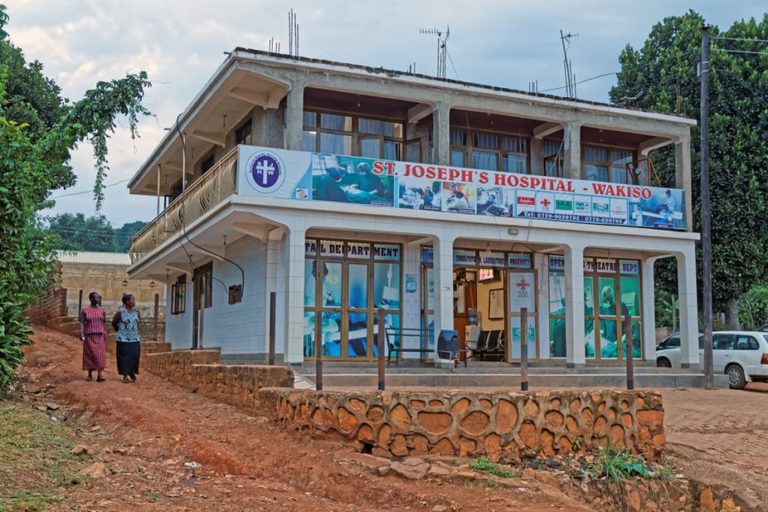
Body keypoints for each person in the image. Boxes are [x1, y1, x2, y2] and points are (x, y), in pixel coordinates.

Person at [113, 294, 141, 383]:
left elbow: (138, 321)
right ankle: (125, 375)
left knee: (135, 356)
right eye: (133, 300)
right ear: (127, 302)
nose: (134, 302)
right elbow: (114, 322)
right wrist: (119, 331)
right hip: (123, 339)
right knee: (124, 357)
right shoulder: (121, 312)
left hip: (134, 338)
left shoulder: (136, 311)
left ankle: (132, 372)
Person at [80, 291, 106, 382]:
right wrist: (81, 334)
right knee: (90, 355)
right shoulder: (85, 310)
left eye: (99, 297)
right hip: (89, 335)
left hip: (99, 335)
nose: (98, 299)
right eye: (96, 297)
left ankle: (100, 374)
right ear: (91, 299)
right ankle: (89, 374)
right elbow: (82, 322)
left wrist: (104, 332)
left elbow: (104, 322)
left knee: (100, 355)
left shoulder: (102, 310)